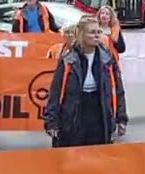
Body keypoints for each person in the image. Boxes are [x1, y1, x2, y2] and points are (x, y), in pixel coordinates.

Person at [44, 15, 128, 147]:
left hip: (99, 112)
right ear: (82, 34)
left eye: (99, 32)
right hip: (73, 113)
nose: (97, 36)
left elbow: (118, 89)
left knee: (98, 157)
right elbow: (56, 91)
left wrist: (121, 118)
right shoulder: (68, 59)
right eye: (92, 32)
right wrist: (51, 122)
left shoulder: (107, 58)